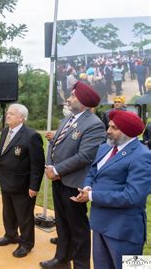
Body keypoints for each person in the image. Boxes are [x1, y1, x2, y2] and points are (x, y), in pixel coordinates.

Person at [72, 110, 151, 269]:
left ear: (127, 132)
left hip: (125, 230)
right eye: (109, 126)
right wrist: (87, 186)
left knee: (133, 268)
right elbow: (93, 171)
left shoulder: (143, 155)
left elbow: (132, 196)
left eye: (114, 128)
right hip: (100, 224)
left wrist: (92, 195)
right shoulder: (104, 148)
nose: (108, 131)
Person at [41, 81, 106, 269]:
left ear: (83, 101)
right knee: (61, 222)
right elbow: (54, 144)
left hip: (74, 183)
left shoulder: (94, 124)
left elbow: (85, 156)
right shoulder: (67, 119)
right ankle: (62, 259)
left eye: (73, 96)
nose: (69, 99)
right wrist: (50, 166)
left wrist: (57, 170)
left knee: (77, 227)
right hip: (59, 180)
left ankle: (81, 264)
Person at [0, 104, 45, 258]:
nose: (7, 115)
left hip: (23, 185)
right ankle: (11, 235)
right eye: (8, 113)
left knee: (24, 216)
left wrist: (34, 186)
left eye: (12, 113)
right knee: (8, 212)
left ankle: (26, 243)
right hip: (6, 181)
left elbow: (37, 165)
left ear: (21, 117)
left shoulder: (31, 136)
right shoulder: (5, 132)